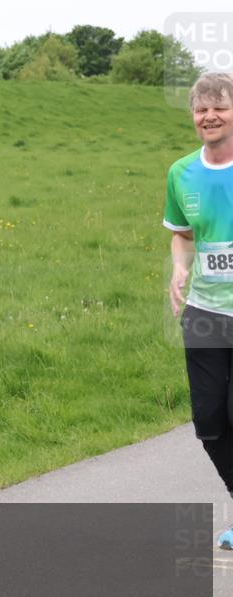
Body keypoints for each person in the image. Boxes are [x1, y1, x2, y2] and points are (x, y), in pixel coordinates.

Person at [166, 72, 233, 549]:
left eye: (220, 106)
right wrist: (178, 270)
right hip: (206, 312)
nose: (209, 115)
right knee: (209, 421)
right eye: (201, 108)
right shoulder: (181, 173)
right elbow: (183, 234)